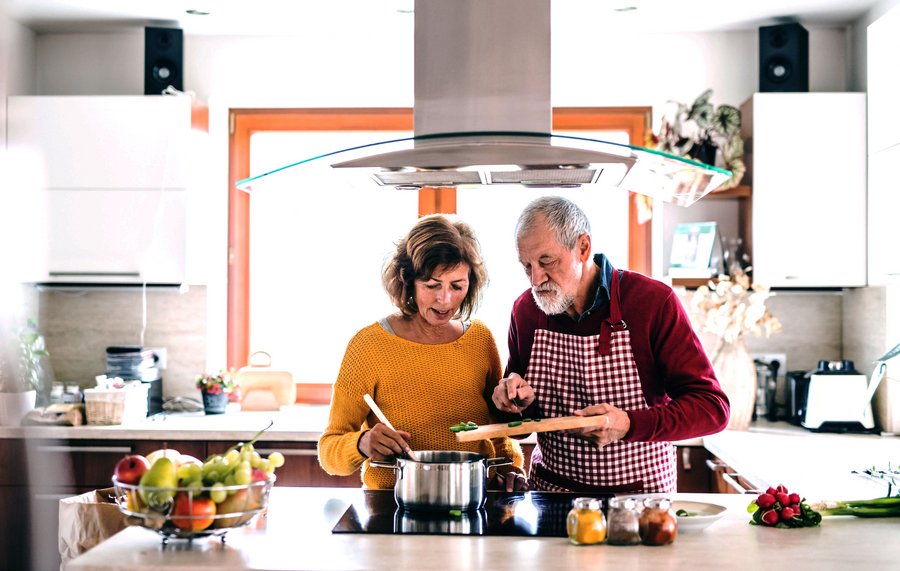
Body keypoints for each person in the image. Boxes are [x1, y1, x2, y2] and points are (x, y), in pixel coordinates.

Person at [492, 196, 730, 494]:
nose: (536, 279)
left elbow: (712, 409)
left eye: (546, 261)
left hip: (640, 499)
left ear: (583, 247)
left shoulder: (652, 302)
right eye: (526, 266)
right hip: (551, 495)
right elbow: (516, 418)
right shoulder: (526, 310)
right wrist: (514, 402)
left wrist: (629, 424)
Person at [318, 214, 526, 491]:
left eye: (457, 286)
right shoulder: (368, 346)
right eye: (432, 285)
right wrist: (361, 443)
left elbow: (498, 430)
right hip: (393, 505)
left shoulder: (480, 339)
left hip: (473, 496)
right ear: (407, 280)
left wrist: (510, 468)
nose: (445, 299)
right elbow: (330, 451)